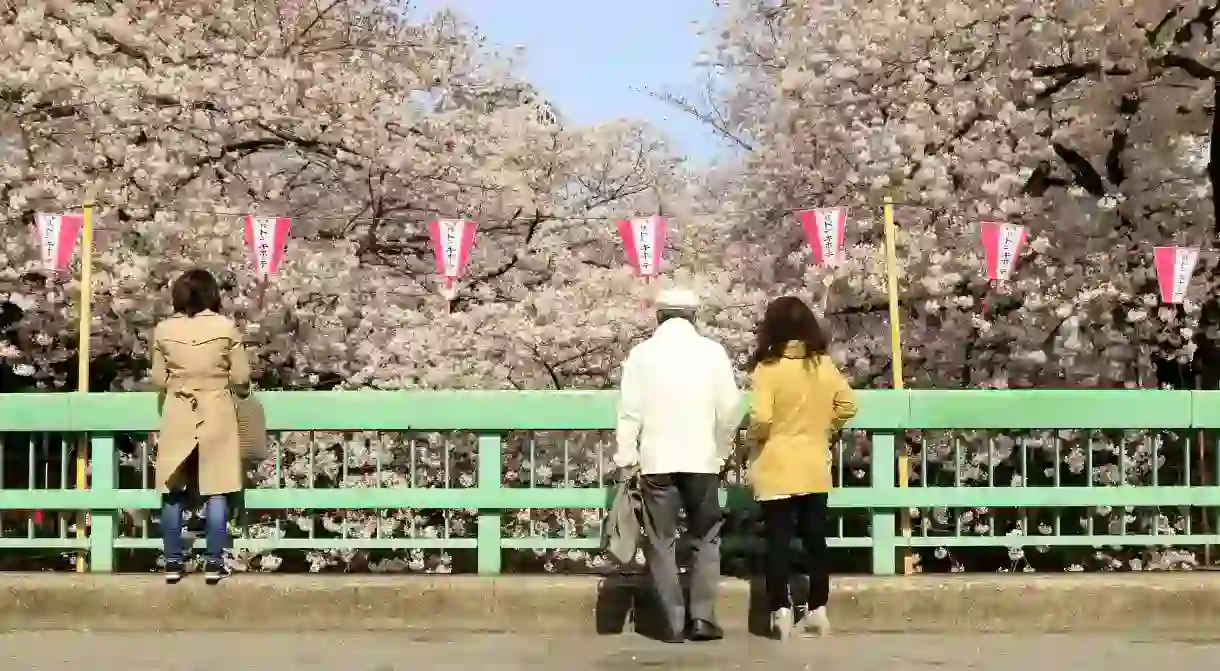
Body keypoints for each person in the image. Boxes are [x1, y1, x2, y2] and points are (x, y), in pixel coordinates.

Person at [613, 287, 742, 643]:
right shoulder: (713, 353)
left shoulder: (641, 355)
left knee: (660, 540)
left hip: (656, 460)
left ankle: (671, 622)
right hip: (702, 459)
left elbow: (629, 411)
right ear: (694, 317)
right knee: (706, 536)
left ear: (659, 317)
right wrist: (721, 449)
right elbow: (730, 409)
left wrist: (627, 454)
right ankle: (702, 618)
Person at [746, 295, 857, 640]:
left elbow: (761, 417)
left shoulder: (768, 369)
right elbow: (848, 404)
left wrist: (754, 438)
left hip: (777, 462)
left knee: (778, 539)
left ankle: (780, 609)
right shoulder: (822, 365)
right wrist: (827, 426)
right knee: (815, 539)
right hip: (813, 462)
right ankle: (818, 609)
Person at [151, 269, 251, 585]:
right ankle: (213, 563)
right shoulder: (225, 328)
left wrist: (179, 383)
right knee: (217, 489)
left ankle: (172, 562)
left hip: (179, 410)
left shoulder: (164, 330)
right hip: (217, 410)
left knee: (171, 489)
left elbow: (157, 378)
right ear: (212, 294)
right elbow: (241, 378)